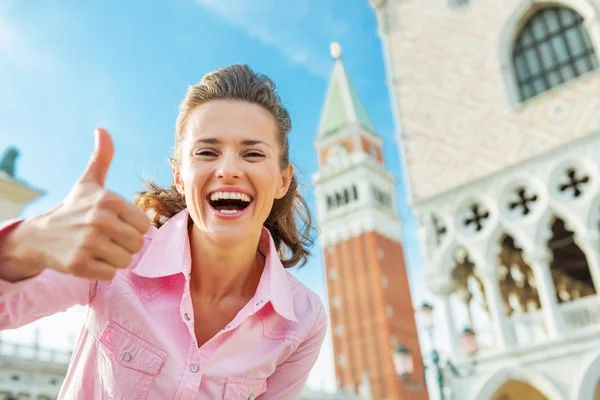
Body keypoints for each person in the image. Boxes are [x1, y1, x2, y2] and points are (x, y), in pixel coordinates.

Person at [0, 64, 327, 399]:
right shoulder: (115, 255)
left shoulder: (304, 320)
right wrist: (25, 245)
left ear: (282, 181)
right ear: (179, 177)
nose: (228, 169)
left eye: (253, 153)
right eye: (206, 152)